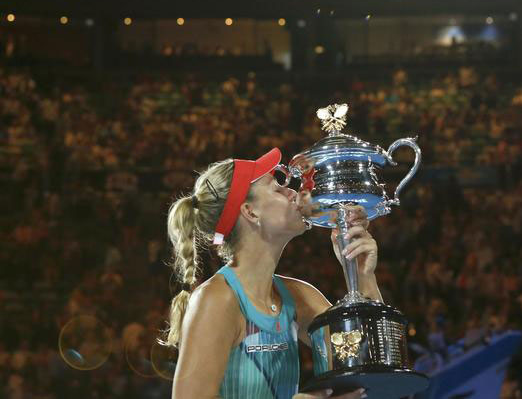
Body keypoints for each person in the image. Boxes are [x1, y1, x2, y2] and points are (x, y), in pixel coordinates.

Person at [161, 147, 379, 399]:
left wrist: (362, 273)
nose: (294, 191)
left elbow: (369, 359)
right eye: (277, 187)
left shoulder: (298, 295)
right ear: (250, 212)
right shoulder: (217, 300)